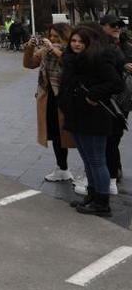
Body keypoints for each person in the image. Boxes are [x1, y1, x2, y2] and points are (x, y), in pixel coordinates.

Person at [60, 26, 124, 216]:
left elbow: (116, 83)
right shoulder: (71, 60)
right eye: (73, 41)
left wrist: (94, 95)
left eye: (81, 41)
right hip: (77, 115)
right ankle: (93, 195)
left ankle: (103, 203)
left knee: (97, 160)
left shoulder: (98, 58)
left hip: (94, 116)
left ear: (89, 43)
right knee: (87, 159)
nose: (76, 44)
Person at [24, 23, 74, 181]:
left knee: (74, 136)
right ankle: (62, 168)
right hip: (50, 97)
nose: (52, 39)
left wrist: (53, 49)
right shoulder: (45, 51)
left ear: (65, 36)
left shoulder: (72, 50)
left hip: (67, 97)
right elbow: (29, 63)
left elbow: (71, 64)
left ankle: (93, 173)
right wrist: (30, 48)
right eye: (50, 35)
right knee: (56, 134)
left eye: (56, 36)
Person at [99, 14, 132, 195]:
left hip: (122, 99)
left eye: (119, 25)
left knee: (113, 137)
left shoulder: (126, 45)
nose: (117, 28)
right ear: (102, 26)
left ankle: (112, 174)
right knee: (107, 137)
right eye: (113, 25)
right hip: (103, 97)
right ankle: (112, 171)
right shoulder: (98, 44)